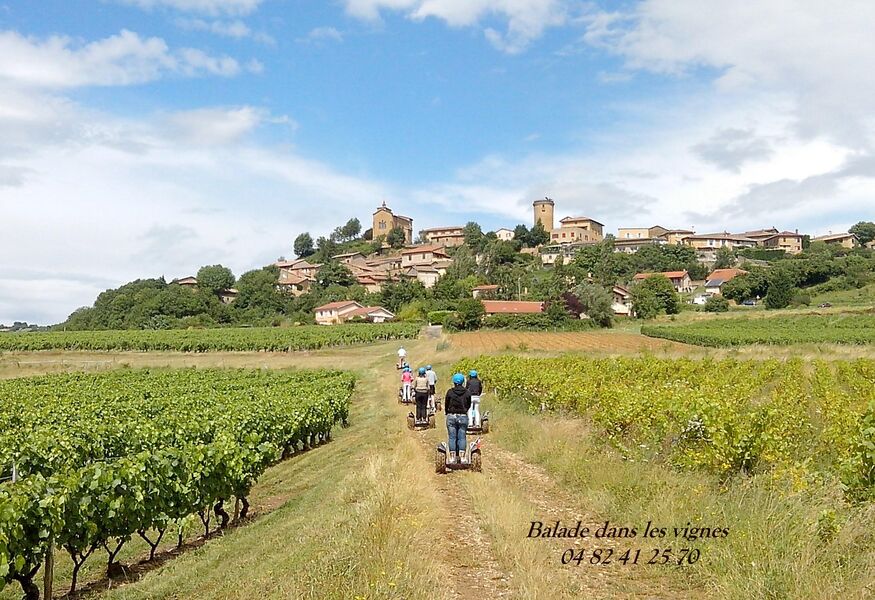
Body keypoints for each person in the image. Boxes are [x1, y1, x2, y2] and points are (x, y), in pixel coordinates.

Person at [444, 373, 472, 464]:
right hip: (463, 416)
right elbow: (468, 404)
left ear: (454, 381)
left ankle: (452, 458)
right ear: (463, 382)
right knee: (462, 437)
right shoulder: (467, 392)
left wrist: (447, 412)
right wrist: (464, 411)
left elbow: (446, 403)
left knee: (452, 437)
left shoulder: (450, 392)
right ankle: (463, 457)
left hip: (451, 416)